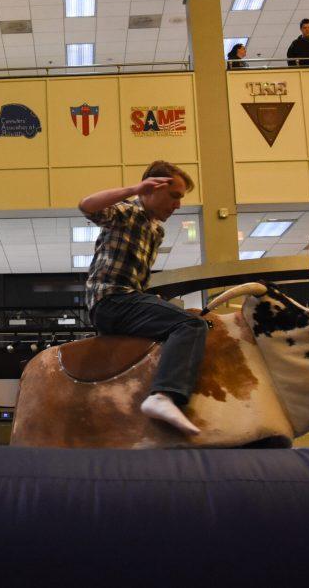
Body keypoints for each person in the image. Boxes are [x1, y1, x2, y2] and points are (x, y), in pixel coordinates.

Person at [79, 161, 207, 435]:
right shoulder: (125, 212)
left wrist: (152, 298)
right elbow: (86, 205)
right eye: (174, 196)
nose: (178, 205)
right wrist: (134, 189)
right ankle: (165, 395)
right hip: (111, 300)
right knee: (190, 326)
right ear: (150, 189)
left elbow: (138, 275)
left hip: (126, 298)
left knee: (187, 322)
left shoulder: (156, 230)